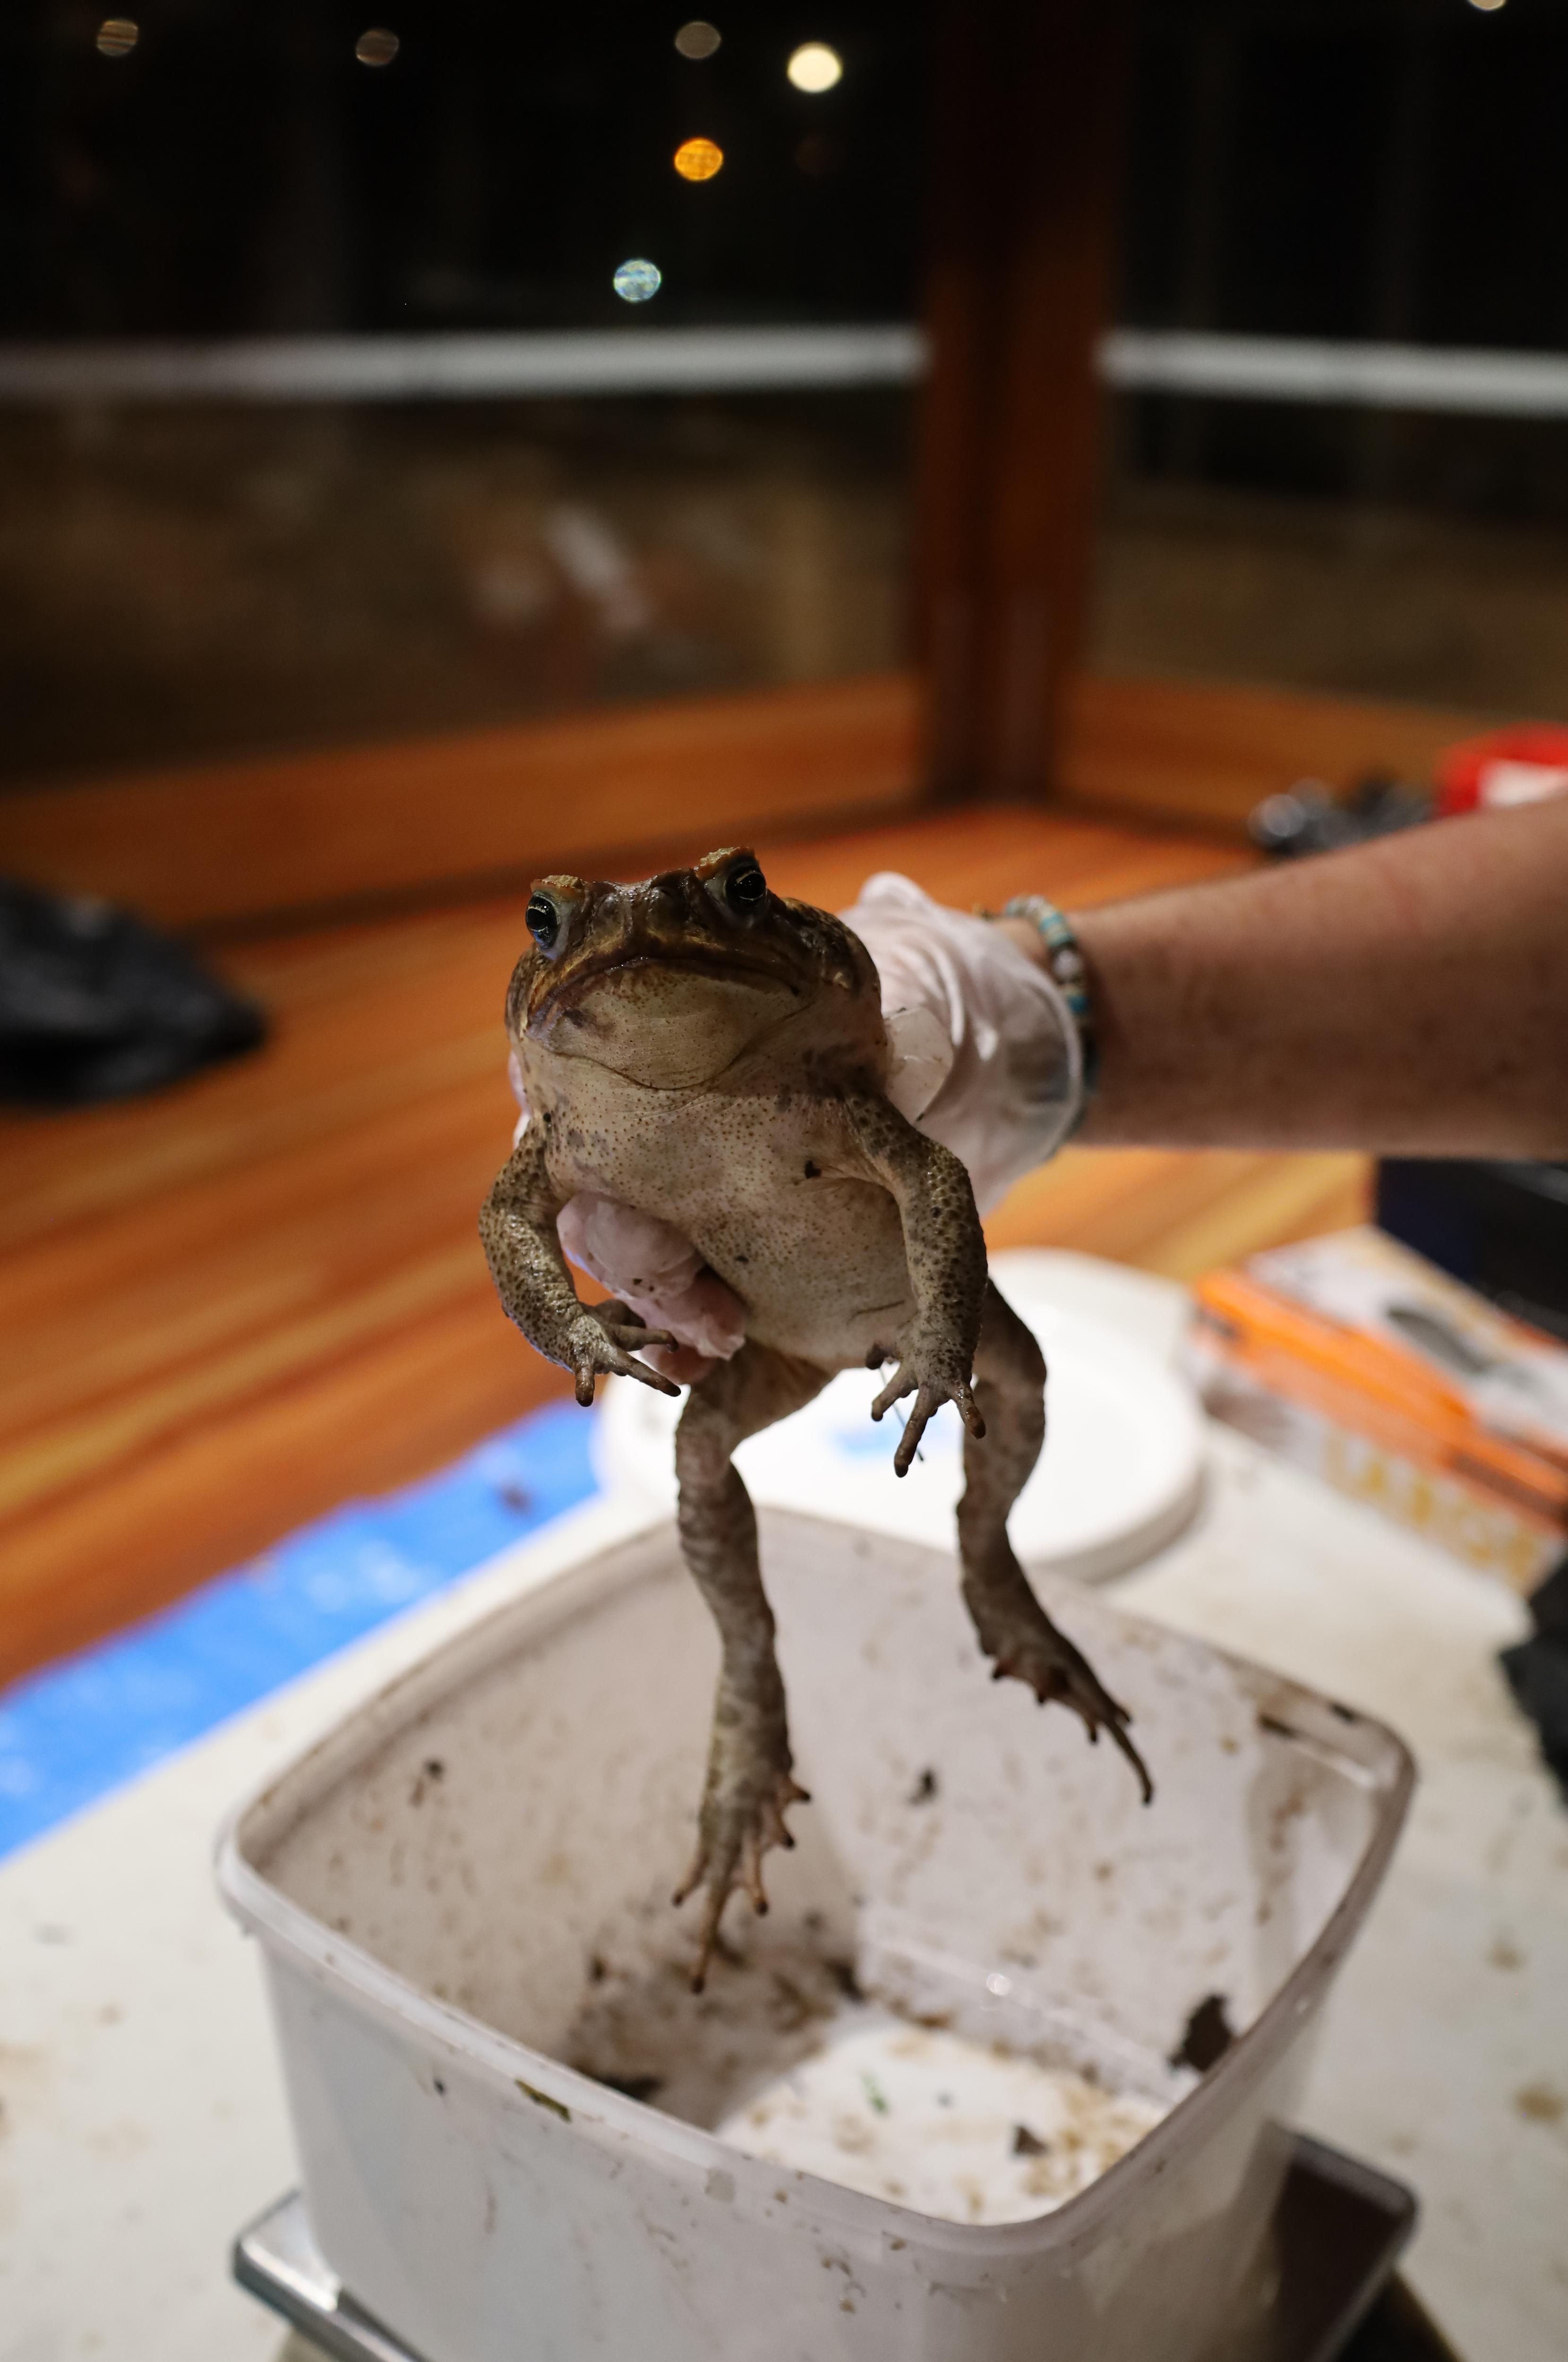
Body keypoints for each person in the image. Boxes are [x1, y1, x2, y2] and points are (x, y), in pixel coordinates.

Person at [528, 797, 1568, 1367]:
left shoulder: (861, 1064)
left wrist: (999, 1005)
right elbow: (511, 1222)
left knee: (1012, 1385)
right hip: (765, 1330)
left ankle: (996, 1588)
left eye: (739, 894)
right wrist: (570, 1327)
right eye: (551, 924)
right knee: (704, 1471)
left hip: (892, 1304)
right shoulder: (567, 1125)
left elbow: (932, 1182)